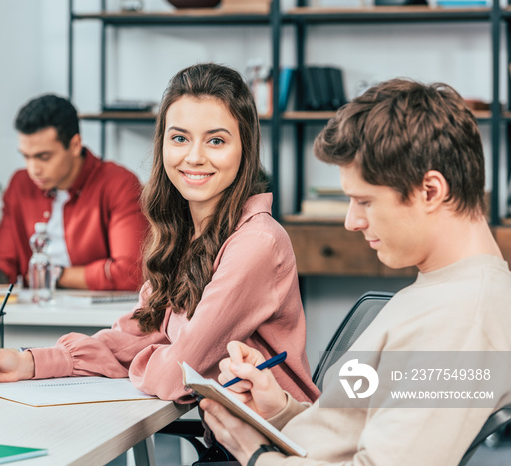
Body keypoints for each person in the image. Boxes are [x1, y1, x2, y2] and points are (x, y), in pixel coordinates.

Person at [0, 63, 320, 406]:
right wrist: (28, 363)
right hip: (233, 440)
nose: (193, 157)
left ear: (245, 148)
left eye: (216, 141)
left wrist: (154, 353)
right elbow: (134, 334)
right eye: (180, 138)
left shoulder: (256, 243)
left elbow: (176, 375)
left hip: (280, 446)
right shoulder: (184, 234)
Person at [199, 79, 511, 465]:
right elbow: (350, 435)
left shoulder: (461, 323)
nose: (351, 221)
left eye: (364, 200)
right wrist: (278, 409)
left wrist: (254, 453)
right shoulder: (442, 292)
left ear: (431, 191)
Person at [0, 94, 147, 291]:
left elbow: (131, 273)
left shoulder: (119, 183)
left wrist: (54, 274)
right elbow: (3, 262)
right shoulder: (20, 184)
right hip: (38, 313)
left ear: (75, 145)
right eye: (26, 156)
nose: (34, 169)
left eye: (44, 157)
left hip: (99, 316)